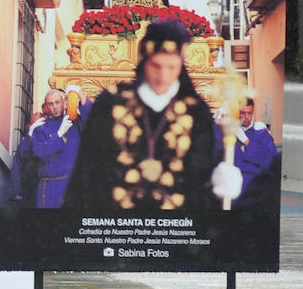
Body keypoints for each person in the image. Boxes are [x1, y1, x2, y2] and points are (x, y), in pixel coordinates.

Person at [65, 19, 240, 212]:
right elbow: (88, 171)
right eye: (156, 65)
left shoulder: (196, 111)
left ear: (181, 65)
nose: (163, 76)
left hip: (176, 229)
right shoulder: (111, 103)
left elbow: (202, 174)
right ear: (144, 61)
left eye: (171, 67)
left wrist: (219, 182)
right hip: (117, 226)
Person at [25, 88, 91, 208]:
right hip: (49, 186)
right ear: (46, 107)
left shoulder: (75, 123)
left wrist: (79, 92)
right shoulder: (40, 128)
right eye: (51, 104)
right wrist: (59, 134)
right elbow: (41, 152)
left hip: (72, 184)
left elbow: (91, 117)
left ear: (64, 103)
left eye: (57, 102)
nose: (55, 107)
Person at [216, 98, 278, 207]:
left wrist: (246, 141)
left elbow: (268, 161)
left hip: (254, 184)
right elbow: (216, 153)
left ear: (253, 111)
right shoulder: (229, 131)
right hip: (232, 186)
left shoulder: (261, 132)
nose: (246, 117)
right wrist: (217, 124)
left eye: (249, 113)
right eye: (242, 113)